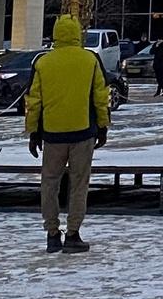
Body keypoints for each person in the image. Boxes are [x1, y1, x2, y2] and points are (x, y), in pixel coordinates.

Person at [24, 13, 114, 254]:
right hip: (83, 132)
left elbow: (34, 101)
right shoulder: (90, 60)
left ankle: (52, 234)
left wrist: (33, 132)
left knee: (49, 184)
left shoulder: (43, 62)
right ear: (77, 34)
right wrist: (102, 126)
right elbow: (100, 96)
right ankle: (73, 234)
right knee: (78, 184)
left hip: (52, 134)